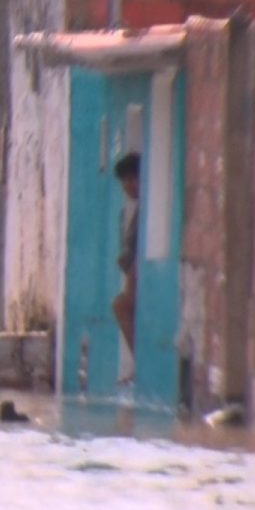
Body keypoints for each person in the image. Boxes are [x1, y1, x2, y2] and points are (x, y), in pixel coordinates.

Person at [111, 153, 140, 363]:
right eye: (125, 181)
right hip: (134, 279)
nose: (128, 186)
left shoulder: (145, 210)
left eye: (132, 179)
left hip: (139, 281)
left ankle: (140, 362)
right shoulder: (137, 211)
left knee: (121, 305)